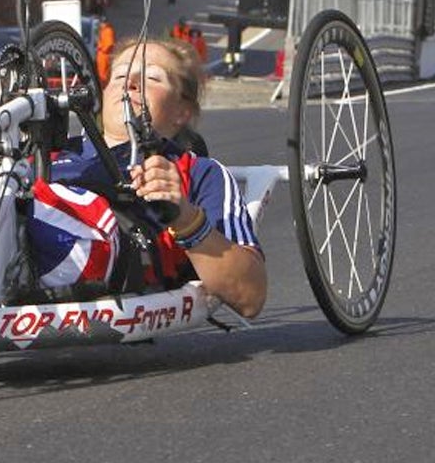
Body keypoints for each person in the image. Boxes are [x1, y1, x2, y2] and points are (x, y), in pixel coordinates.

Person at [28, 39, 267, 318]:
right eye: (118, 76)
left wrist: (186, 218)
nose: (130, 82)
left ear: (182, 111)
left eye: (152, 77)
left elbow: (251, 296)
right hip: (9, 236)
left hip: (103, 250)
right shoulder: (49, 154)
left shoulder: (197, 172)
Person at [95, 15, 116, 86]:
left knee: (103, 73)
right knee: (101, 72)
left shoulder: (108, 31)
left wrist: (103, 49)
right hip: (102, 54)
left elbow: (109, 44)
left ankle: (104, 85)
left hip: (104, 55)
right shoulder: (104, 30)